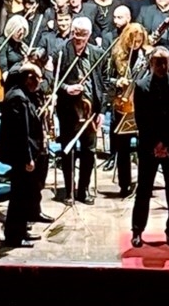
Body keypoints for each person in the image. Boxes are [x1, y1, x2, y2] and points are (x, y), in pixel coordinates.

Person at [130, 46, 169, 249]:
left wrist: (164, 143)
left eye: (165, 62)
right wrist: (156, 143)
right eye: (157, 62)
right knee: (144, 189)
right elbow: (141, 119)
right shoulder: (140, 86)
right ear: (150, 63)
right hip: (149, 145)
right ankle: (137, 230)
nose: (161, 66)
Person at [0, 62, 51, 247]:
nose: (40, 83)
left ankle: (21, 231)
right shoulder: (17, 99)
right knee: (19, 196)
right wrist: (28, 158)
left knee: (25, 194)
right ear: (29, 78)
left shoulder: (22, 94)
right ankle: (14, 237)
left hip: (24, 154)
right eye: (38, 79)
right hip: (21, 156)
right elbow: (22, 133)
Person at [55, 17, 105, 205]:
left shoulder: (97, 53)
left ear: (90, 35)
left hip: (91, 110)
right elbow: (53, 80)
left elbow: (103, 83)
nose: (79, 38)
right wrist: (67, 88)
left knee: (89, 151)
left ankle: (83, 189)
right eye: (76, 33)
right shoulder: (61, 52)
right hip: (69, 110)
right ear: (71, 31)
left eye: (83, 35)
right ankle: (69, 191)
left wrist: (101, 111)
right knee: (68, 150)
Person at [108, 23, 152, 196]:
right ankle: (124, 184)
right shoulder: (117, 54)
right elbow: (106, 78)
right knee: (123, 147)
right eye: (133, 41)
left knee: (145, 147)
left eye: (140, 41)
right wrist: (117, 82)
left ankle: (144, 182)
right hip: (122, 104)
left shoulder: (147, 54)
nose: (137, 44)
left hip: (143, 105)